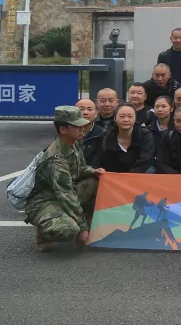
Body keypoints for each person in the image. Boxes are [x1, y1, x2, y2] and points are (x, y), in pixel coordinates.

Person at [25, 106, 105, 252]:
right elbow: (66, 194)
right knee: (68, 229)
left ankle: (86, 224)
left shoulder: (73, 143)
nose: (82, 129)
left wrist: (93, 171)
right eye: (77, 126)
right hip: (44, 201)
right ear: (63, 129)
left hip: (62, 193)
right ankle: (45, 232)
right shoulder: (56, 159)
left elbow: (80, 167)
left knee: (96, 180)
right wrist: (82, 228)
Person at [92, 103, 155, 174]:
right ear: (115, 118)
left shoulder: (145, 134)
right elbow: (100, 159)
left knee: (150, 170)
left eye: (130, 116)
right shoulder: (106, 136)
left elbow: (146, 159)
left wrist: (128, 176)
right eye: (122, 116)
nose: (126, 120)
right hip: (115, 174)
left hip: (138, 173)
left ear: (135, 118)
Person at [76, 98, 105, 166]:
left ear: (96, 113)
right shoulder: (66, 132)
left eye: (90, 109)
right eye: (81, 109)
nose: (85, 113)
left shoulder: (103, 134)